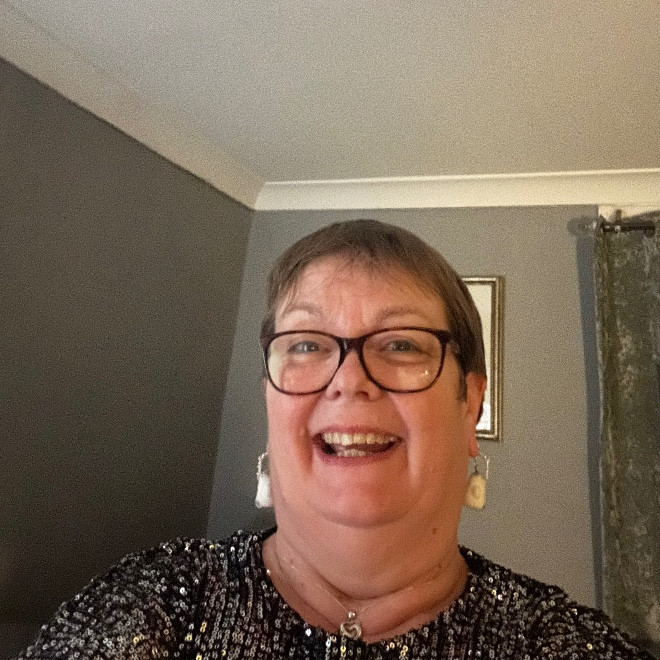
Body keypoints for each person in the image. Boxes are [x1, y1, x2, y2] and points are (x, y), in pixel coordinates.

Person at [15, 219, 653, 659]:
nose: (349, 381)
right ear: (270, 398)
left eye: (400, 344)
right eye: (306, 345)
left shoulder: (563, 644)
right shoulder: (148, 607)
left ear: (470, 404)